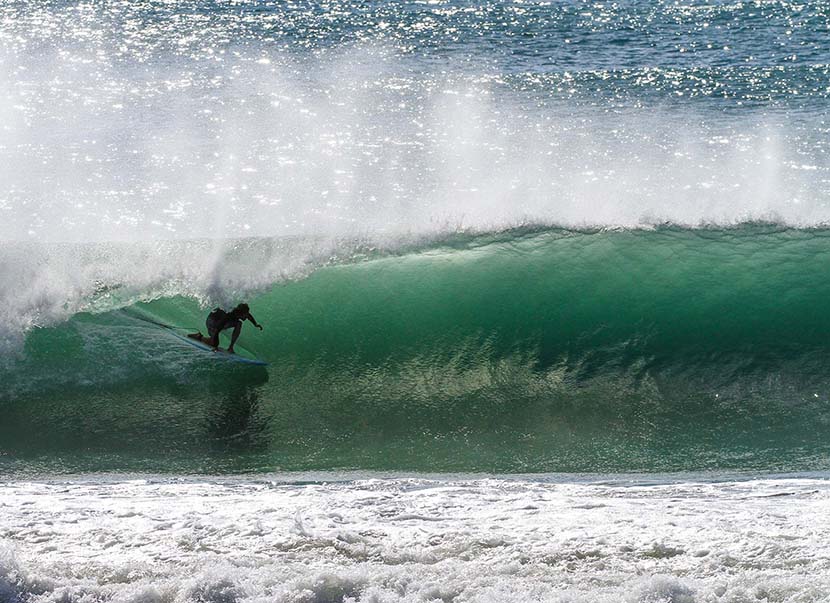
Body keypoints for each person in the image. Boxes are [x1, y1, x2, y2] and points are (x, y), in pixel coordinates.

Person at [188, 303, 263, 354]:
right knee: (213, 343)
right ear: (240, 313)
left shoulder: (240, 312)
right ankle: (200, 337)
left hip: (219, 321)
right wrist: (215, 347)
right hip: (212, 322)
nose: (246, 317)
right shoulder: (228, 315)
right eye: (245, 315)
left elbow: (248, 315)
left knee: (239, 323)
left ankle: (231, 347)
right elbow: (217, 330)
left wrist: (255, 324)